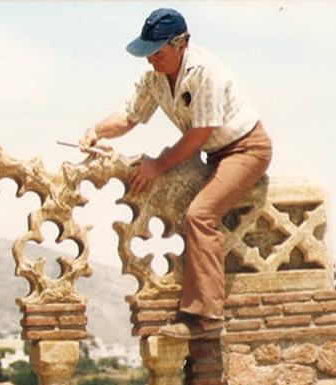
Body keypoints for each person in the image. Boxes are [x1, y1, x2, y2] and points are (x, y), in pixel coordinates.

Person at [79, 8, 272, 339]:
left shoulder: (205, 72)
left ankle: (206, 317)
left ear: (180, 43)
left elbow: (200, 132)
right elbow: (129, 116)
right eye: (148, 52)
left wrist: (158, 165)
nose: (152, 59)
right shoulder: (153, 77)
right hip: (214, 152)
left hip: (245, 149)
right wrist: (96, 131)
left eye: (157, 51)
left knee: (200, 216)